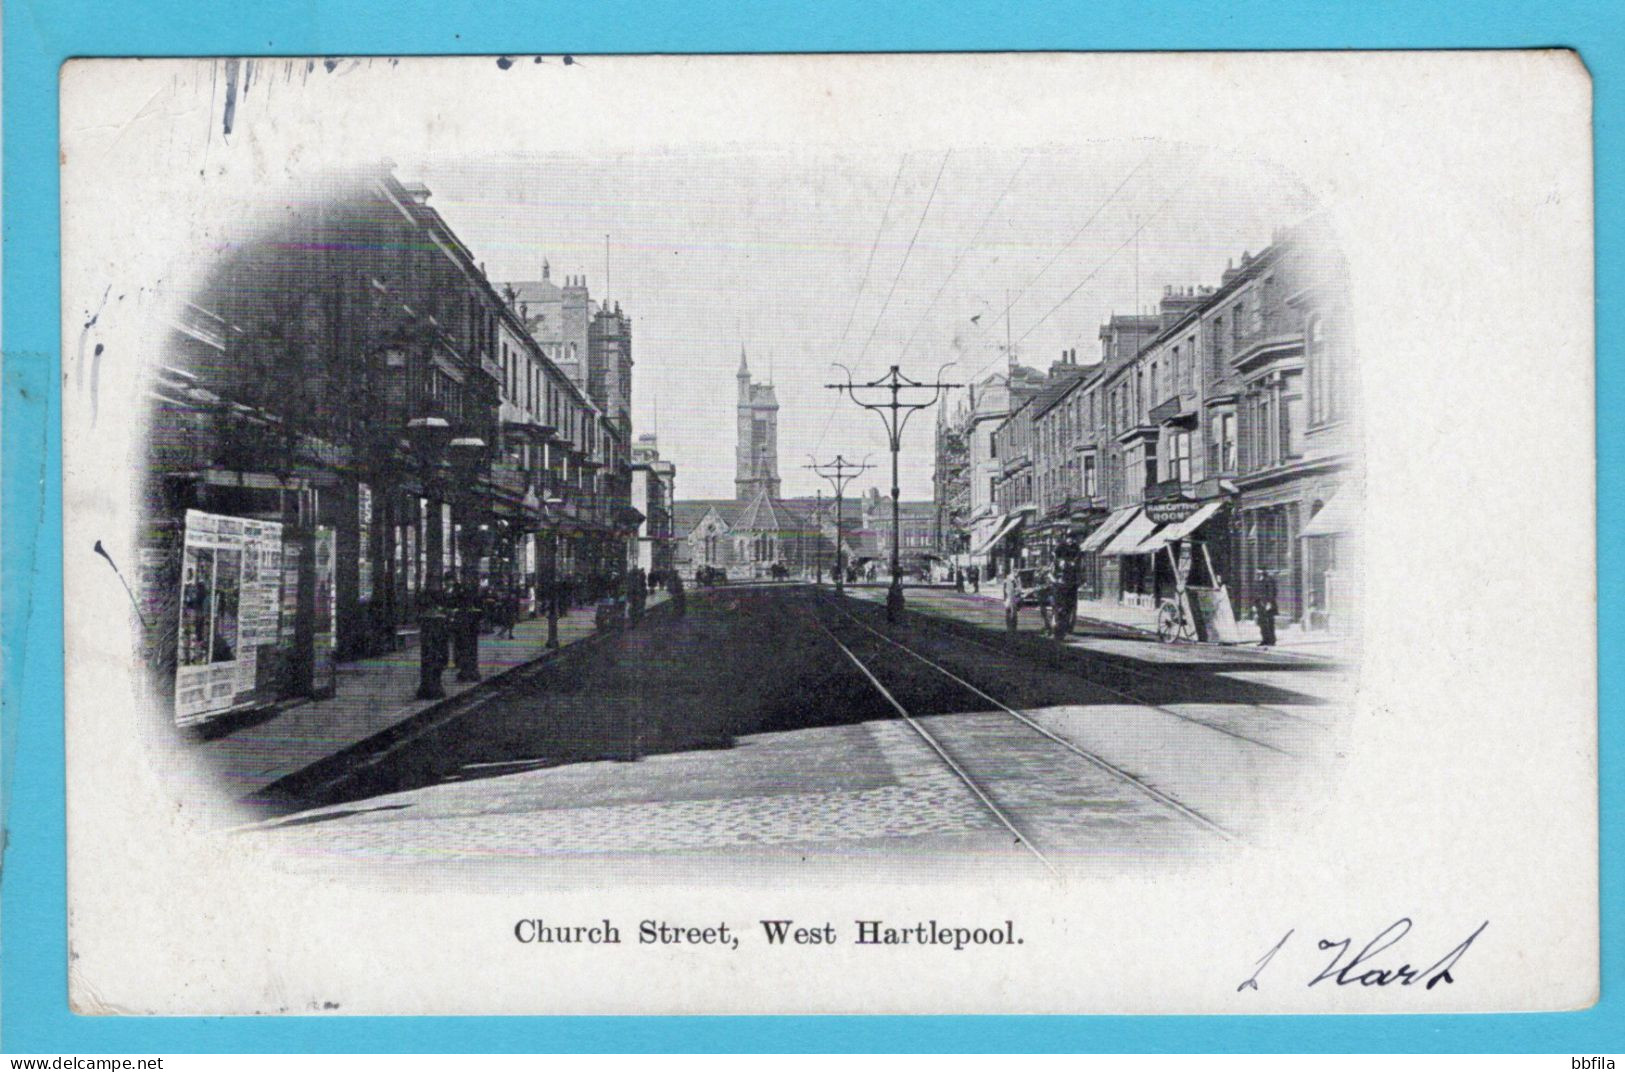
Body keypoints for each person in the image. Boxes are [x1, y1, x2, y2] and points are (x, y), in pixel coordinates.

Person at [1254, 568, 1279, 647]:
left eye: (1259, 570)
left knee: (1269, 622)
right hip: (1260, 604)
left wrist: (1269, 603)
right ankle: (1265, 639)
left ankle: (1271, 640)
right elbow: (1256, 593)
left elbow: (1272, 592)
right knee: (1262, 623)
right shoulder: (1259, 580)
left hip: (1267, 604)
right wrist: (1255, 604)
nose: (1257, 572)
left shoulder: (1269, 579)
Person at [1003, 567, 1023, 633]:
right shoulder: (1009, 578)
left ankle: (1013, 627)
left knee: (1014, 612)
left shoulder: (1018, 578)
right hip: (1010, 597)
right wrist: (1005, 598)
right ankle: (1009, 627)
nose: (1016, 573)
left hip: (1014, 597)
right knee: (1009, 611)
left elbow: (1019, 589)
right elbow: (1005, 588)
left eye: (1017, 571)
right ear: (1012, 571)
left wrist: (1019, 598)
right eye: (1015, 571)